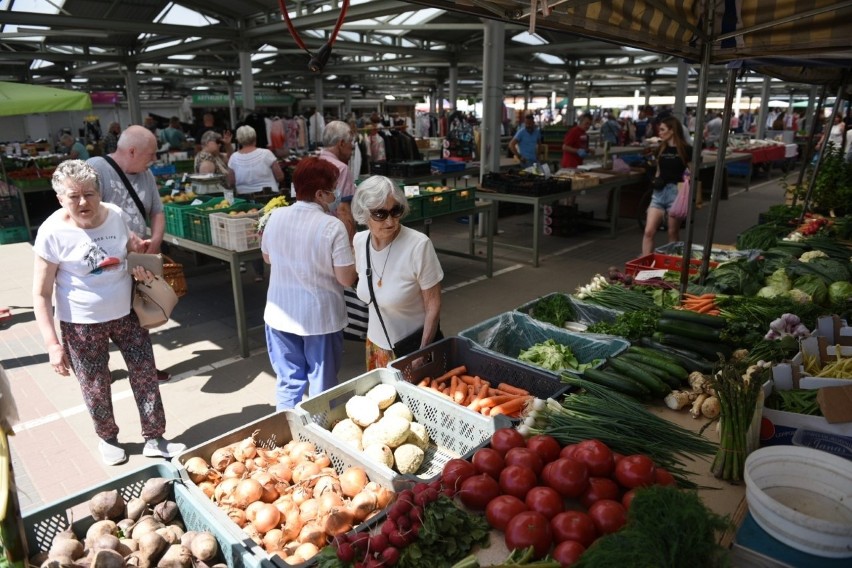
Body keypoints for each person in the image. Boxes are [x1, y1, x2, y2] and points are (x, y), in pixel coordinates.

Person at [32, 160, 185, 466]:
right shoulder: (51, 232)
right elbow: (41, 293)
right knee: (94, 383)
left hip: (127, 312)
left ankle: (155, 437)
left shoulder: (115, 216)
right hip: (81, 324)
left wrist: (139, 264)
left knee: (145, 375)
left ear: (99, 192)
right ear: (60, 198)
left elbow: (129, 254)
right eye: (73, 196)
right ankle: (108, 438)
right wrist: (52, 344)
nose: (83, 202)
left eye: (89, 194)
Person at [261, 157, 357, 410]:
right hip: (320, 319)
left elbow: (267, 257)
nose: (336, 194)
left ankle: (288, 436)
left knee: (288, 382)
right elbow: (345, 279)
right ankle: (319, 438)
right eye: (333, 189)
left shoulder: (276, 217)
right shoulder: (332, 226)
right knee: (322, 386)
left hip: (280, 315)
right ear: (320, 193)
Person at [87, 125, 171, 382]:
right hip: (105, 261)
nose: (154, 160)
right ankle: (101, 371)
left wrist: (156, 240)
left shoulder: (146, 175)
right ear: (132, 151)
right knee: (103, 319)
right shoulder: (96, 168)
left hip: (138, 261)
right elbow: (85, 214)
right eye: (151, 154)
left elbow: (157, 210)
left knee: (139, 315)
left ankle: (144, 367)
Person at [352, 176, 444, 370]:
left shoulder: (418, 245)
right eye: (380, 214)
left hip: (412, 350)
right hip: (375, 346)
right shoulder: (360, 241)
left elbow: (433, 306)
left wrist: (422, 352)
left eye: (396, 211)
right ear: (364, 213)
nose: (390, 221)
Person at [227, 125, 284, 282]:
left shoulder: (234, 158)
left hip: (246, 202)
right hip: (269, 199)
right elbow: (279, 175)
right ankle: (280, 267)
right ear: (255, 138)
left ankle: (259, 273)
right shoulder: (266, 154)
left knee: (253, 235)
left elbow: (231, 181)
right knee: (275, 231)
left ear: (238, 140)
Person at [643, 115, 692, 255]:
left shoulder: (686, 150)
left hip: (676, 193)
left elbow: (693, 173)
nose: (660, 132)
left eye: (663, 129)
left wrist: (688, 193)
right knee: (648, 231)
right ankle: (644, 262)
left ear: (672, 131)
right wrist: (655, 181)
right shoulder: (660, 149)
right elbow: (658, 170)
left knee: (672, 232)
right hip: (659, 193)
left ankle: (673, 263)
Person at [318, 120, 357, 241]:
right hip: (335, 234)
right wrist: (350, 245)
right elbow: (343, 210)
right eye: (350, 141)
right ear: (341, 143)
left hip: (316, 231)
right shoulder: (341, 169)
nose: (352, 146)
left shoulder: (315, 163)